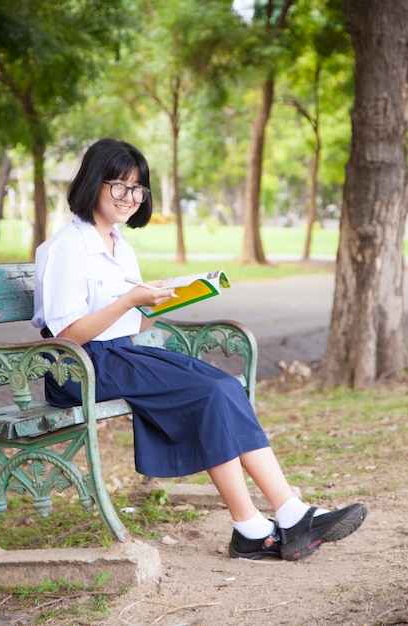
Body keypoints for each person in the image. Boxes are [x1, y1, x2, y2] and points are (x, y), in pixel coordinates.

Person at [32, 138, 367, 561]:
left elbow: (131, 323)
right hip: (77, 367)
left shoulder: (121, 247)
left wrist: (170, 298)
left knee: (223, 386)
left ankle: (287, 513)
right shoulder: (66, 247)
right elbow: (67, 335)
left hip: (119, 353)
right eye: (119, 186)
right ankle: (251, 528)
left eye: (138, 189)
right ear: (92, 184)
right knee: (208, 393)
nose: (129, 198)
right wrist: (129, 300)